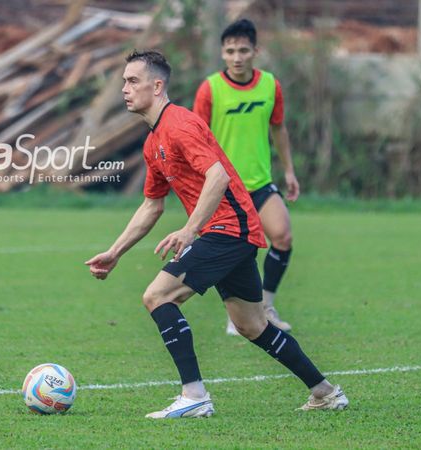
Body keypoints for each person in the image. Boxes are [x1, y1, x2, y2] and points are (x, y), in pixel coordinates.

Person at [85, 50, 348, 419]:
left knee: (158, 296)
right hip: (228, 232)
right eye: (124, 82)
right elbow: (151, 207)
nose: (125, 89)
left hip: (228, 229)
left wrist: (190, 230)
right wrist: (115, 252)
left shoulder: (179, 124)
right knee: (252, 325)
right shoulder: (153, 142)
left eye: (133, 81)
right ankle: (325, 392)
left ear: (157, 86)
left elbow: (218, 176)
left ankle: (193, 395)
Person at [193, 19, 296, 334]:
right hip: (224, 187)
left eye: (243, 50)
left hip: (260, 183)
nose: (236, 57)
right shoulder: (210, 88)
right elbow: (194, 138)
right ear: (222, 53)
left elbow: (278, 128)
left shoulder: (270, 85)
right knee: (236, 252)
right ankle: (237, 317)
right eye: (230, 51)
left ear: (255, 51)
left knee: (283, 236)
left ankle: (266, 307)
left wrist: (289, 169)